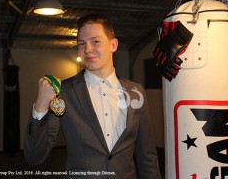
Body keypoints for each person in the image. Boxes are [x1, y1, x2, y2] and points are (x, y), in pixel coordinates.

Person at [24, 13, 161, 179]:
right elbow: (35, 156)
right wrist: (40, 108)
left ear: (113, 45)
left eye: (95, 41)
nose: (87, 49)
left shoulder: (136, 92)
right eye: (82, 43)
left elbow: (147, 157)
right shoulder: (63, 92)